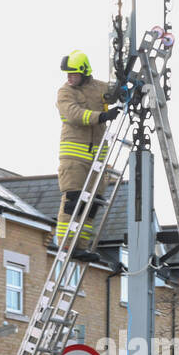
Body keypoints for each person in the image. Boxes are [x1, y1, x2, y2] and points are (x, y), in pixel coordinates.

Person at [56, 50, 120, 249]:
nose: (69, 78)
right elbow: (74, 114)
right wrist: (101, 116)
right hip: (74, 158)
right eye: (68, 74)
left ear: (84, 72)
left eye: (73, 73)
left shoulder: (99, 88)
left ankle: (81, 246)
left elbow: (117, 93)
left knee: (92, 204)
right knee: (73, 201)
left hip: (97, 160)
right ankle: (66, 245)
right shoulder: (65, 92)